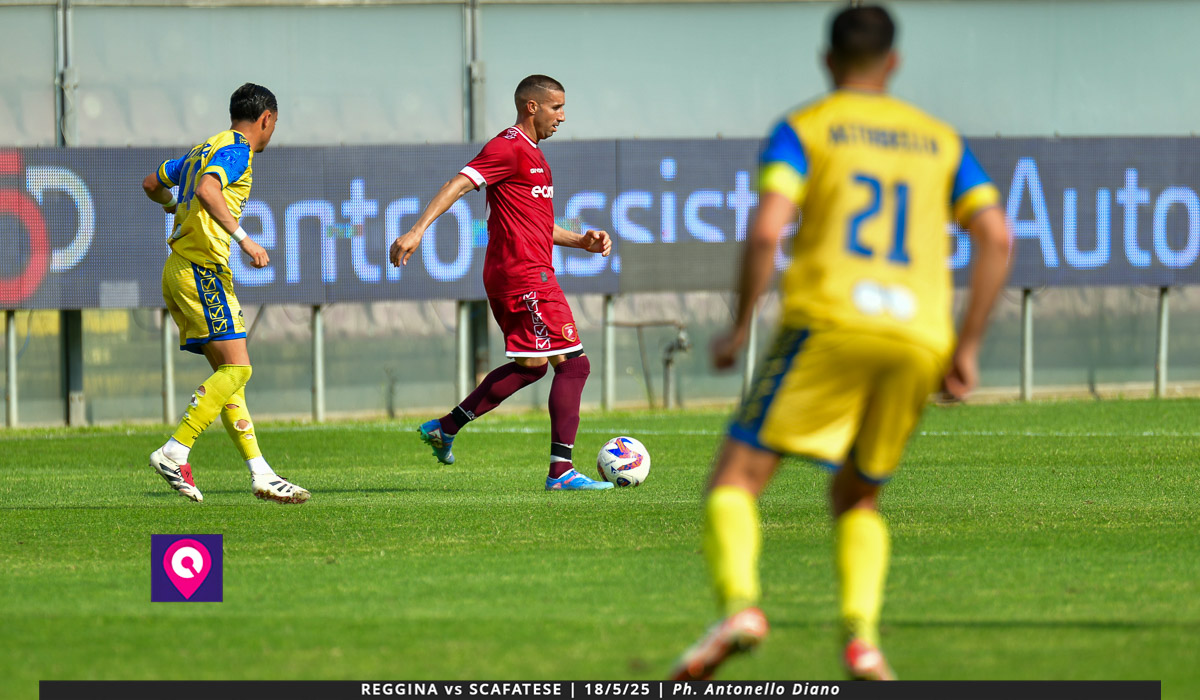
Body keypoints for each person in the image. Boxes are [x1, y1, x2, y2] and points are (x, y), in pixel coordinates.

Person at [669, 4, 1011, 680]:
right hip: (918, 337)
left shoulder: (804, 128)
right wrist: (966, 347)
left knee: (736, 479)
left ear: (827, 61)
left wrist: (740, 326)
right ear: (894, 63)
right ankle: (862, 640)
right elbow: (997, 236)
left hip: (829, 322)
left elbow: (769, 231)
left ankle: (739, 607)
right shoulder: (940, 139)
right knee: (857, 496)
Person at [390, 75, 614, 491]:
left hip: (524, 270)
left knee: (532, 366)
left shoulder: (537, 157)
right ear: (532, 107)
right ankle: (561, 472)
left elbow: (537, 225)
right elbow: (457, 183)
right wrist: (418, 230)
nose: (562, 117)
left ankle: (446, 428)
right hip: (524, 274)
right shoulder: (508, 146)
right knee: (575, 365)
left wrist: (580, 240)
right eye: (556, 107)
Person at [142, 83, 310, 504]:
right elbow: (207, 191)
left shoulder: (201, 149)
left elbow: (151, 183)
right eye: (274, 125)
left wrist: (169, 205)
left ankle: (261, 473)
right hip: (202, 270)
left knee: (230, 379)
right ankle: (174, 450)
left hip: (179, 268)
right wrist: (245, 240)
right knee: (238, 371)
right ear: (266, 119)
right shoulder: (237, 150)